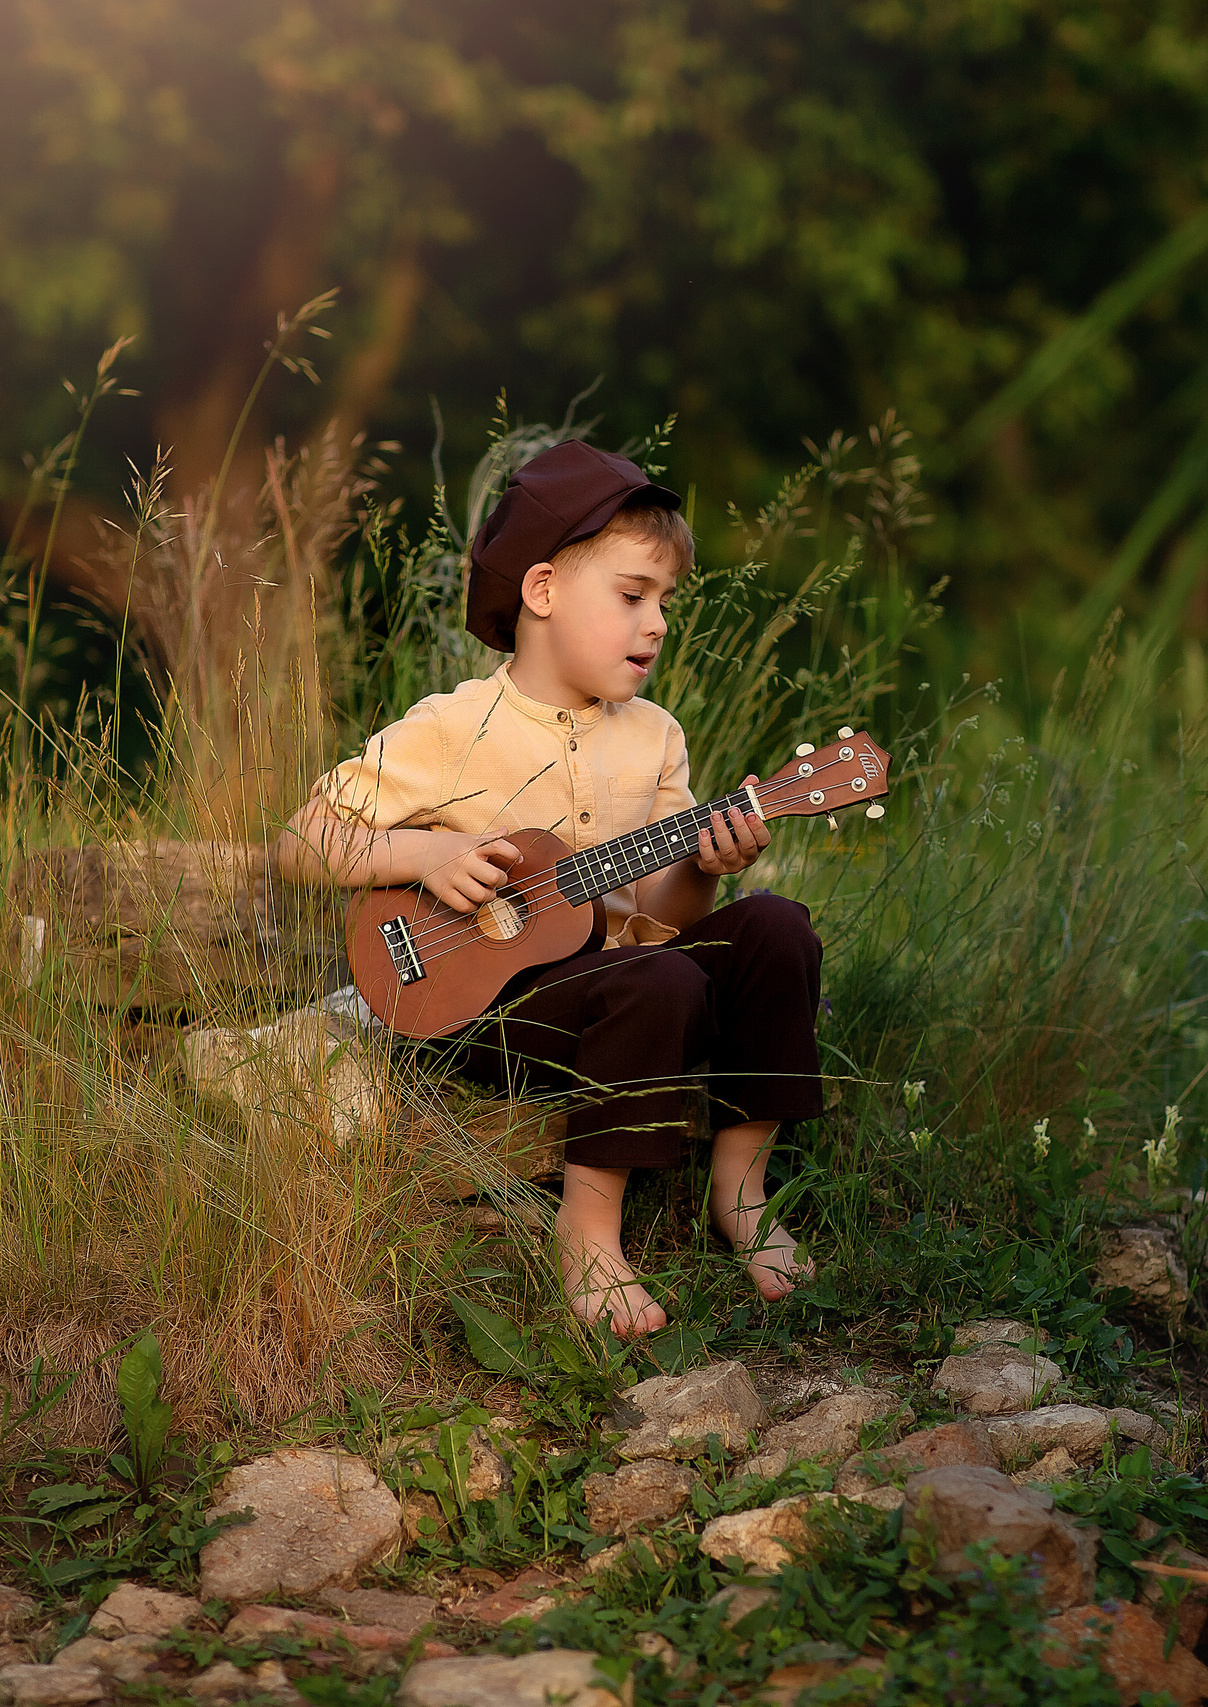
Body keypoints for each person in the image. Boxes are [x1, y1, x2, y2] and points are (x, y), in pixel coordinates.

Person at [275, 439, 823, 1338]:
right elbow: (303, 841)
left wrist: (708, 867)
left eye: (665, 604)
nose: (656, 625)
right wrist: (421, 858)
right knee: (661, 980)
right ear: (542, 592)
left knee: (776, 927)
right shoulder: (455, 726)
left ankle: (742, 1188)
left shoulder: (655, 737)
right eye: (632, 595)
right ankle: (590, 1232)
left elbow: (668, 919)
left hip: (630, 990)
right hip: (489, 1004)